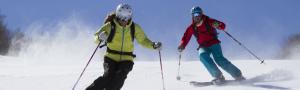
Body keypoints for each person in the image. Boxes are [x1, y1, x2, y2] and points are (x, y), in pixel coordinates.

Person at [86, 3, 162, 90]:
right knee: (107, 77)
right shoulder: (110, 26)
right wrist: (99, 37)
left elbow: (143, 40)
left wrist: (153, 45)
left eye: (126, 18)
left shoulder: (134, 27)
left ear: (130, 17)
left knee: (119, 77)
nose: (123, 21)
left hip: (127, 59)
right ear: (118, 16)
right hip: (110, 57)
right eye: (121, 18)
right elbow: (95, 37)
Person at [178, 6, 245, 84]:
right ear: (192, 16)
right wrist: (182, 45)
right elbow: (185, 37)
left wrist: (218, 25)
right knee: (202, 56)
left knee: (219, 59)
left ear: (201, 14)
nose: (197, 16)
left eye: (198, 14)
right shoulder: (191, 27)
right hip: (203, 45)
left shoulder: (209, 21)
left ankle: (237, 75)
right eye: (195, 14)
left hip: (214, 43)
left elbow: (222, 26)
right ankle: (218, 76)